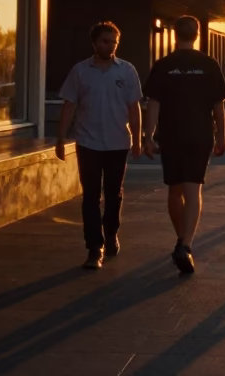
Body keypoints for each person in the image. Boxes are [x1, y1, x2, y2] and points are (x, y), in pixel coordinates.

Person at [142, 16, 225, 274]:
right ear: (197, 35)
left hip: (171, 135)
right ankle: (187, 243)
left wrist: (148, 136)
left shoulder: (163, 65)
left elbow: (154, 103)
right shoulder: (209, 64)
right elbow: (218, 106)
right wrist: (222, 136)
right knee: (194, 190)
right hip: (199, 135)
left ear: (174, 34)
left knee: (174, 190)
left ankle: (181, 238)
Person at [55, 21, 143, 270]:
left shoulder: (126, 71)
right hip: (88, 142)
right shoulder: (80, 71)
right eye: (105, 41)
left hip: (117, 143)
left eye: (114, 42)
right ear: (94, 43)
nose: (110, 46)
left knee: (114, 194)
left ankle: (111, 232)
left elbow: (134, 107)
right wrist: (61, 138)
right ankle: (95, 247)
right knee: (91, 196)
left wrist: (138, 139)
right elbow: (69, 105)